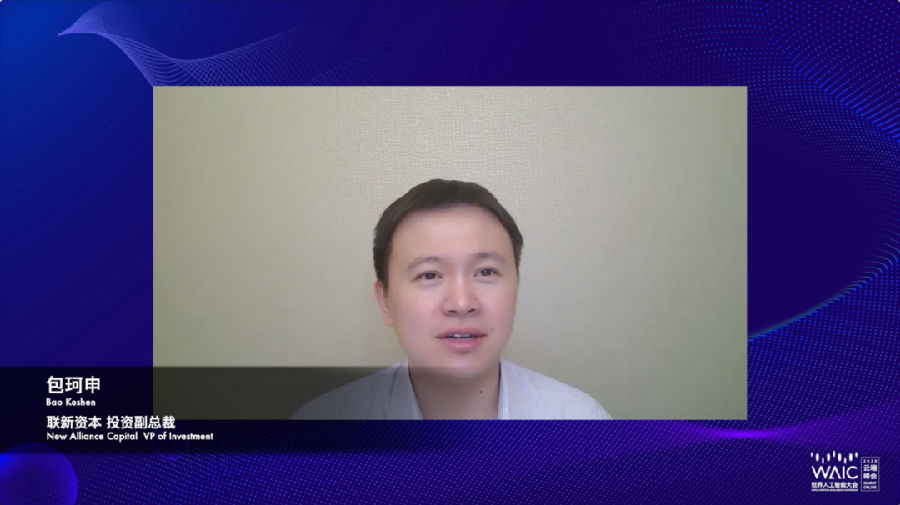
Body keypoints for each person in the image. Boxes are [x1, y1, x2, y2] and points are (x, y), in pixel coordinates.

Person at [293, 179, 611, 420]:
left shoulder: (581, 421)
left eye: (485, 271)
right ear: (385, 301)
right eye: (429, 275)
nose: (461, 303)